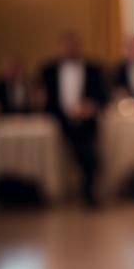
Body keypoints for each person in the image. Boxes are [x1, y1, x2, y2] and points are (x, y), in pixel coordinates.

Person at [40, 31, 109, 206]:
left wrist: (90, 107)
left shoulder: (93, 69)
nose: (70, 48)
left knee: (90, 153)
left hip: (86, 121)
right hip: (59, 121)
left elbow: (103, 97)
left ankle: (88, 192)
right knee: (82, 152)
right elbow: (43, 100)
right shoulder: (47, 70)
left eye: (73, 44)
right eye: (66, 44)